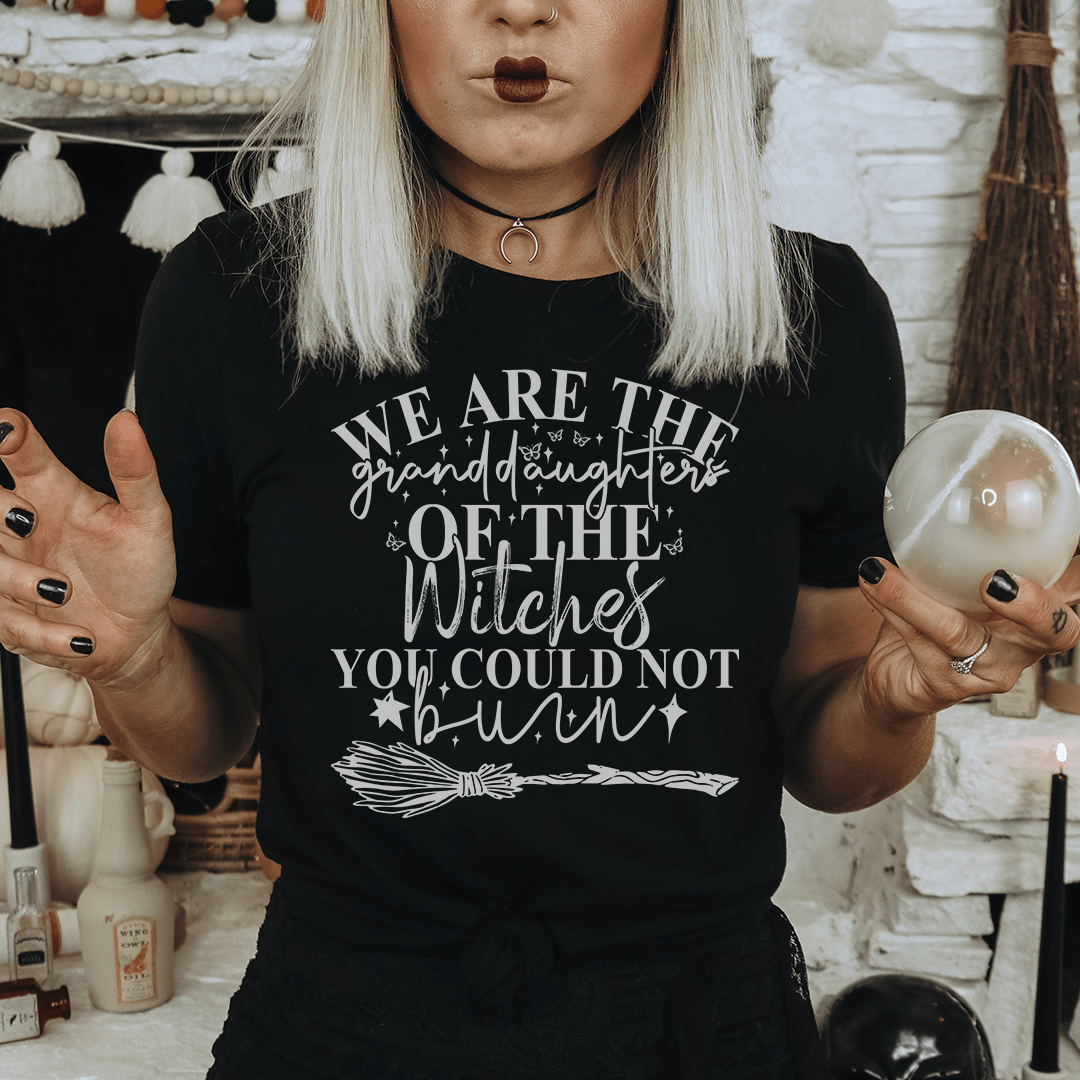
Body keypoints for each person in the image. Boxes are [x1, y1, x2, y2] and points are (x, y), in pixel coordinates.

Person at [0, 1, 1076, 1077]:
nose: (522, 9)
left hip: (701, 1034)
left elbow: (828, 761)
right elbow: (201, 742)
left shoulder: (813, 314)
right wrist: (135, 659)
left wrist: (896, 700)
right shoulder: (235, 300)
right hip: (339, 1027)